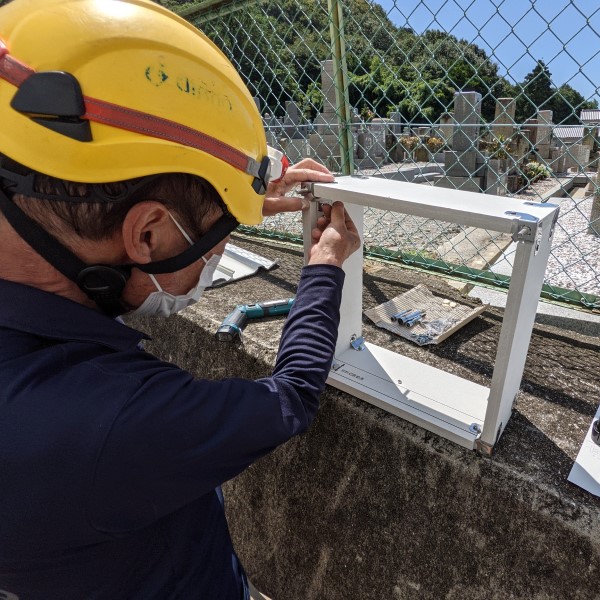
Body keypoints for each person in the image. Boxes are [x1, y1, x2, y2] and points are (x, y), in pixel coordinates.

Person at [0, 1, 360, 598]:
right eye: (215, 238)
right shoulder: (112, 420)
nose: (216, 254)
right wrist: (323, 267)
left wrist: (221, 200)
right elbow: (290, 398)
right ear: (146, 235)